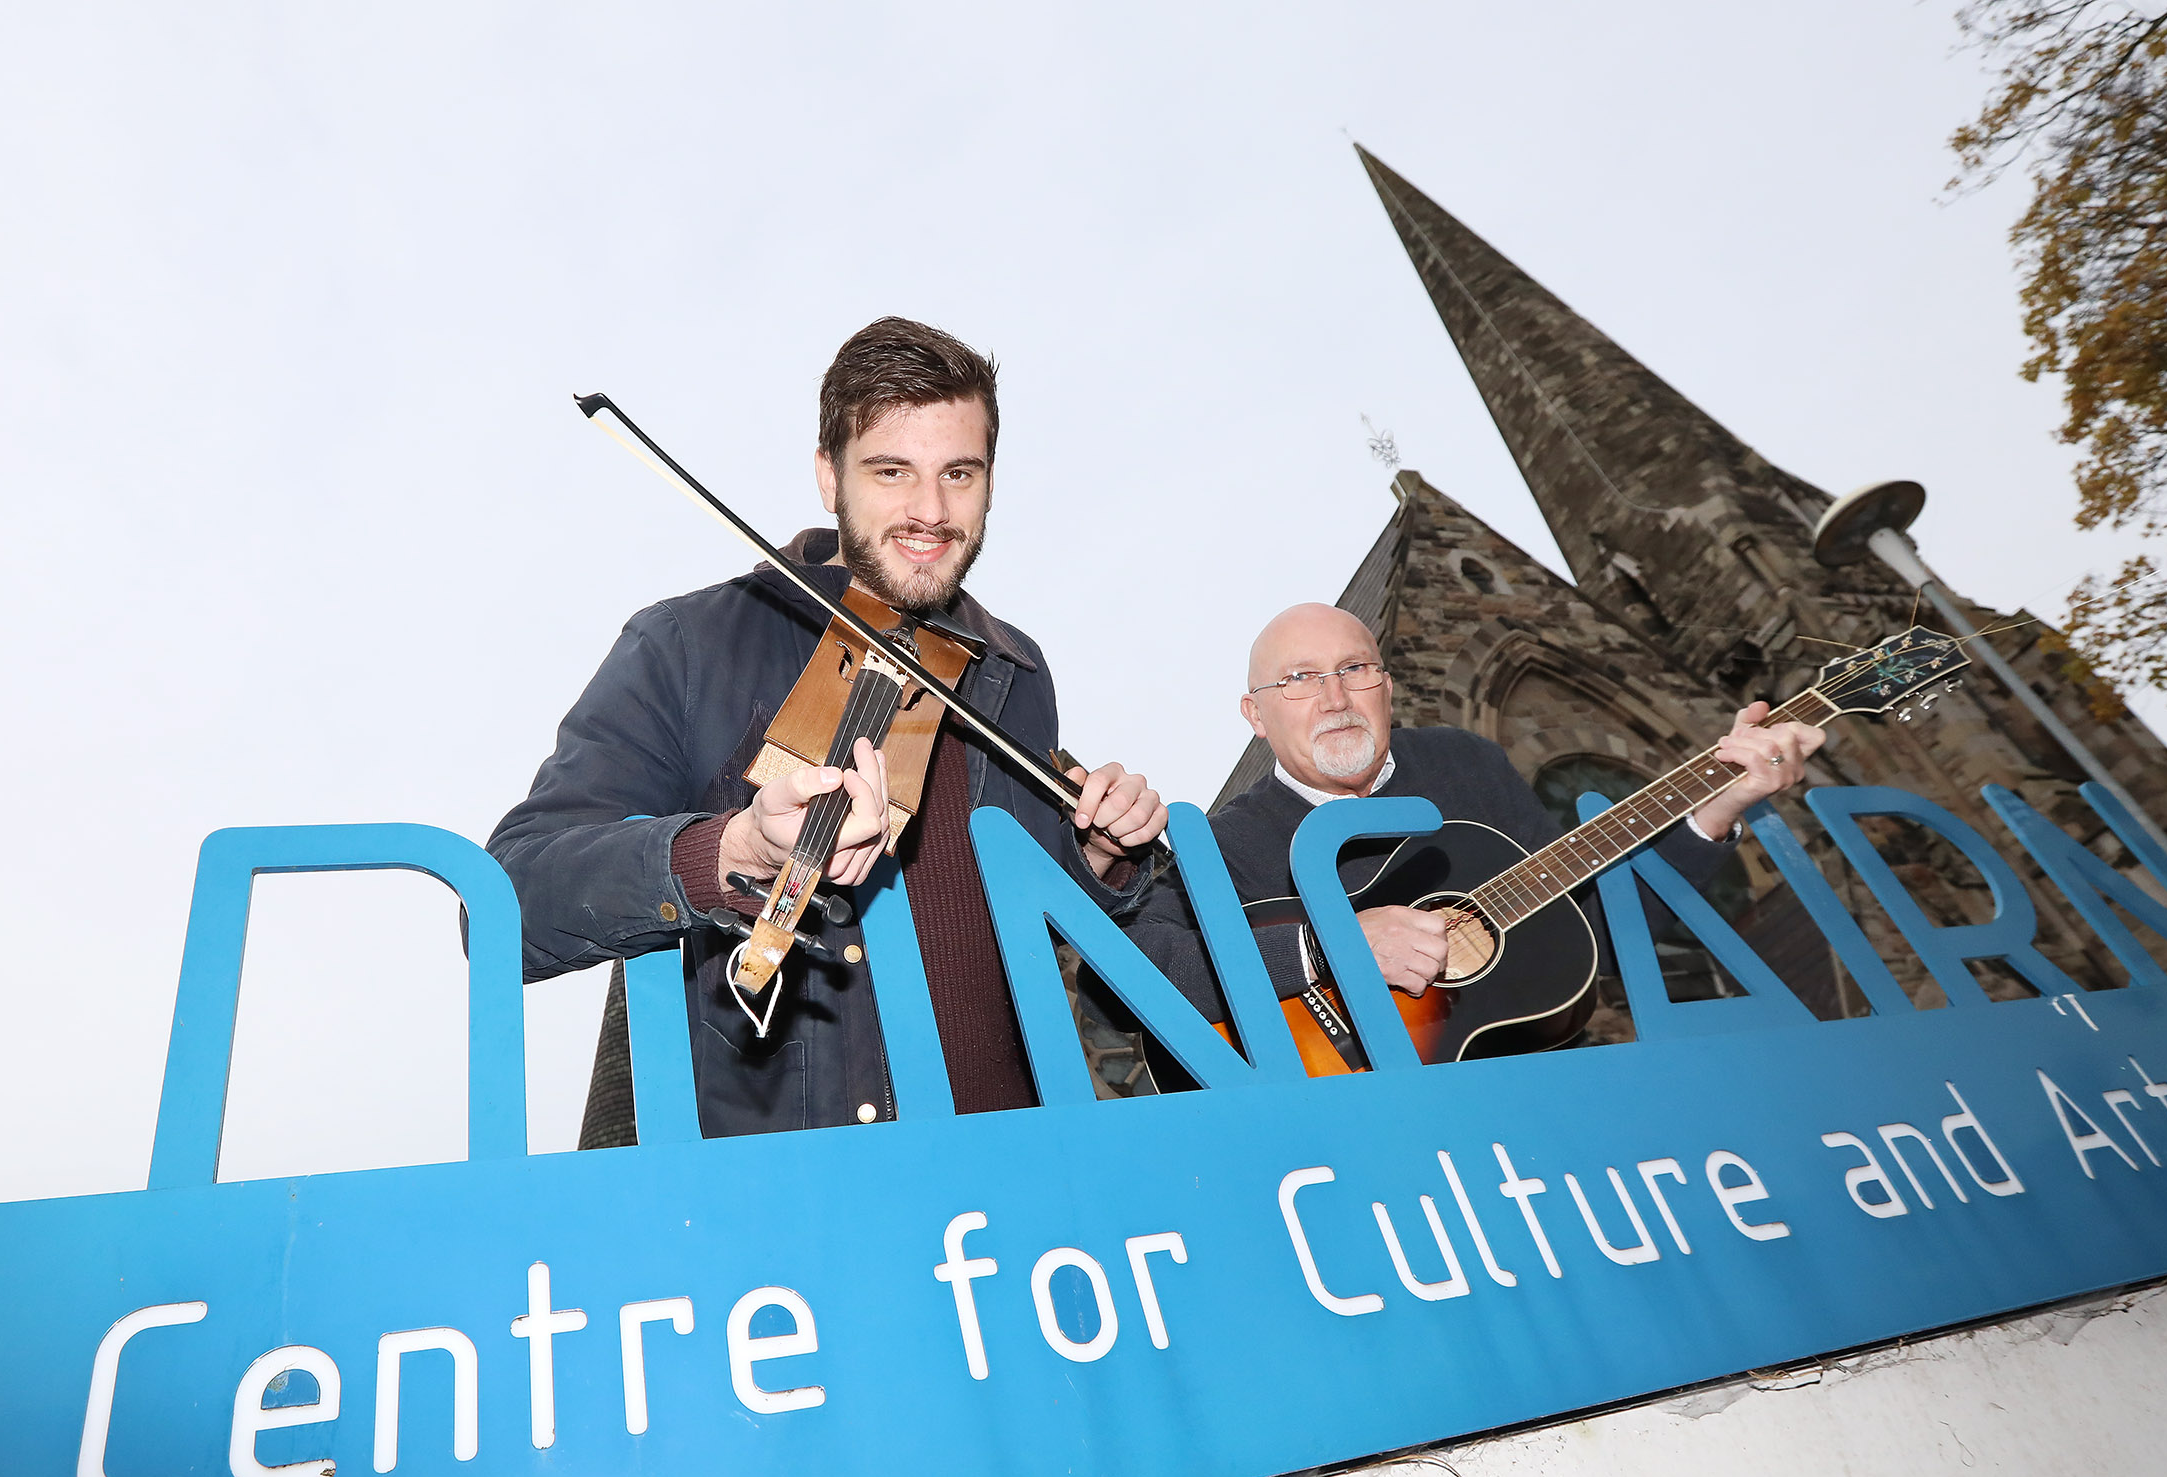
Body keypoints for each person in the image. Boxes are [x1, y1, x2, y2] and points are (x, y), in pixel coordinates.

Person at [490, 318, 1166, 1138]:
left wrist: (1096, 857)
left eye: (960, 472)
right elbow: (507, 903)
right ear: (827, 476)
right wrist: (730, 852)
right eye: (892, 472)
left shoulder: (1014, 673)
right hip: (770, 1193)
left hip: (1005, 1179)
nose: (931, 509)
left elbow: (1010, 920)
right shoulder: (687, 643)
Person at [1130, 602, 1823, 1049]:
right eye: (1300, 679)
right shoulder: (1227, 844)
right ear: (1255, 715)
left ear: (1387, 682)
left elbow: (1592, 937)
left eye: (1354, 669)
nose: (1335, 697)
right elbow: (1136, 977)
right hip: (1370, 1134)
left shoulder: (1466, 765)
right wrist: (1328, 947)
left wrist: (1716, 806)